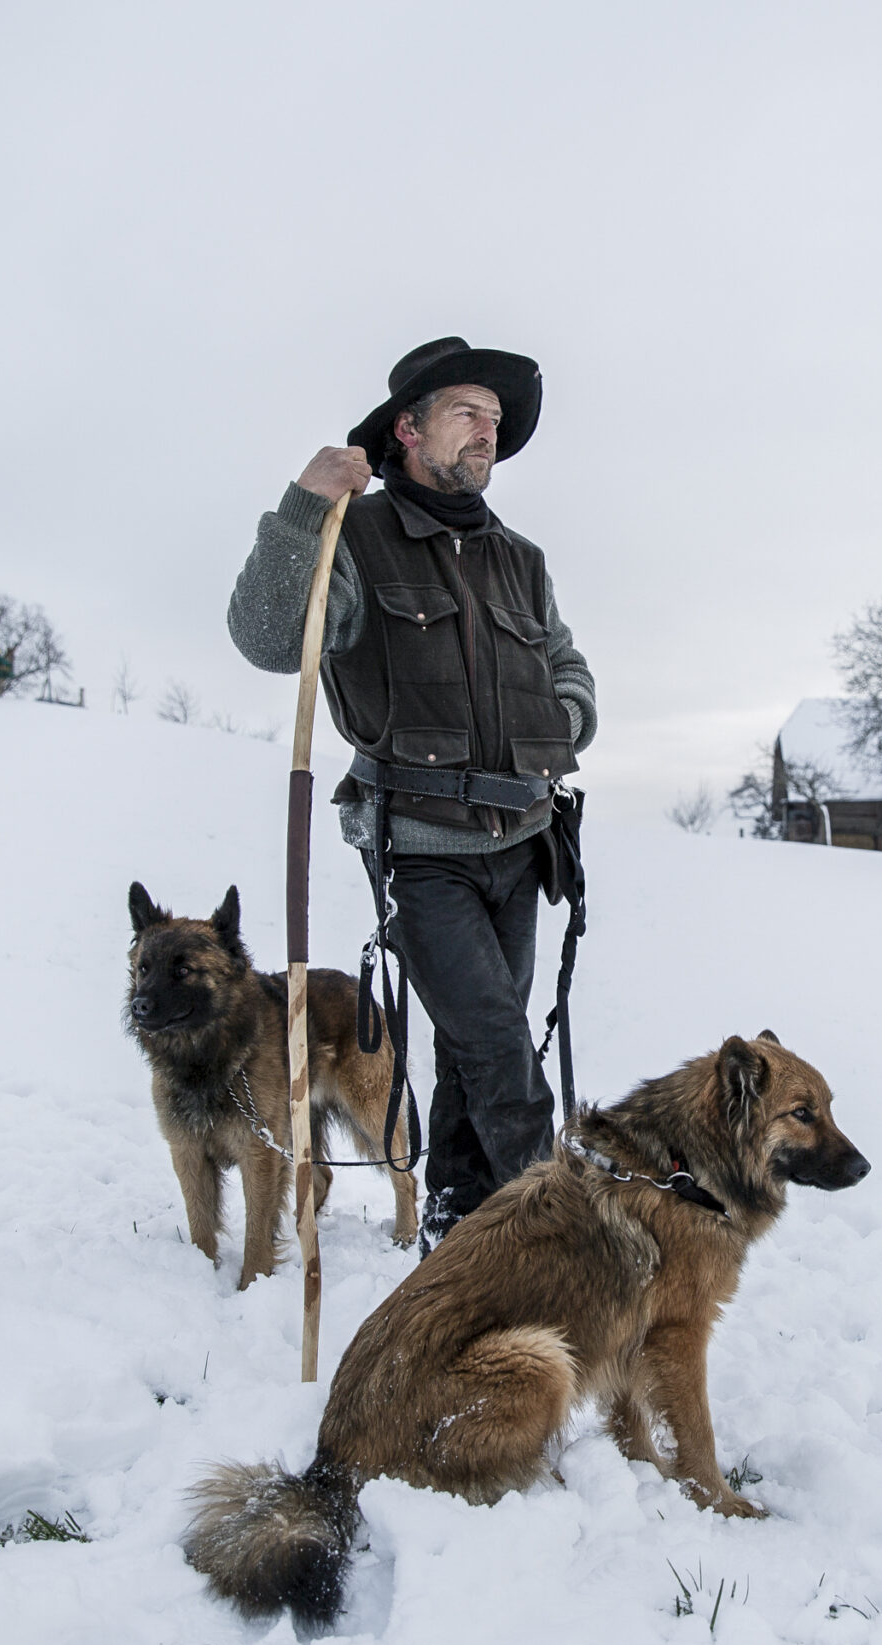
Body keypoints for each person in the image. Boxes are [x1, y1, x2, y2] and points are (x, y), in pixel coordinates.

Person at [228, 337, 595, 1247]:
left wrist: (570, 717)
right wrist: (305, 505)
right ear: (409, 427)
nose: (489, 433)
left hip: (523, 839)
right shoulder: (357, 536)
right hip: (421, 848)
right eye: (468, 412)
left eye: (498, 422)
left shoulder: (522, 559)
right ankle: (569, 1240)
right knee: (499, 1047)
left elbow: (567, 665)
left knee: (477, 1056)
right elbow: (271, 638)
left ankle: (458, 1227)